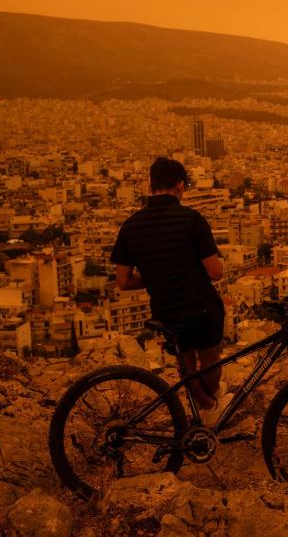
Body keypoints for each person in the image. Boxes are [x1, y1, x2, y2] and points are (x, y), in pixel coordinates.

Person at [111, 157, 226, 413]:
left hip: (165, 309)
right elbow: (215, 272)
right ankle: (209, 408)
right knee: (210, 358)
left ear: (150, 186)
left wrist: (154, 276)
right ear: (180, 186)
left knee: (185, 361)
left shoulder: (131, 226)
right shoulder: (191, 219)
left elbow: (123, 281)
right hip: (201, 306)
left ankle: (199, 406)